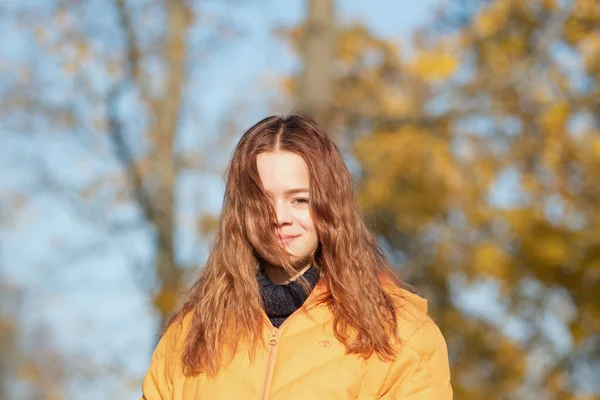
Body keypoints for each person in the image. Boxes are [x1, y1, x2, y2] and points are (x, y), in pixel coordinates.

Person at [140, 114, 452, 399]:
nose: (279, 217)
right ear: (240, 213)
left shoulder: (400, 335)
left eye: (299, 200)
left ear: (330, 206)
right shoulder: (192, 335)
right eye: (262, 202)